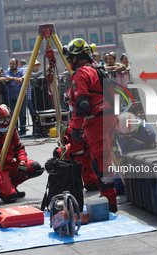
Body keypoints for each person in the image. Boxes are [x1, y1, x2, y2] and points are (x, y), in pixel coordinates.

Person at [63, 38, 118, 212]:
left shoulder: (81, 73)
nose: (69, 62)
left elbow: (82, 103)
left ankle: (109, 202)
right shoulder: (96, 68)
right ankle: (107, 196)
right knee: (102, 158)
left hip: (96, 120)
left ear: (75, 58)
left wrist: (76, 128)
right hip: (107, 117)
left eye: (70, 58)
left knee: (100, 160)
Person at [0, 104, 44, 202]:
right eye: (1, 120)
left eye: (7, 119)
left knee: (35, 167)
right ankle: (3, 189)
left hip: (10, 165)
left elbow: (20, 148)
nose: (5, 123)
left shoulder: (12, 130)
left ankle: (11, 185)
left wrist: (22, 162)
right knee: (11, 197)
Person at [113, 112, 156, 194]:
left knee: (142, 188)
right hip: (125, 159)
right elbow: (112, 144)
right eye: (122, 135)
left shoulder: (147, 133)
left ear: (135, 129)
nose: (124, 138)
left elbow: (150, 156)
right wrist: (118, 157)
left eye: (128, 135)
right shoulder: (116, 128)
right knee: (117, 188)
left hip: (140, 162)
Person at [4, 58, 27, 135]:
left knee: (23, 113)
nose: (11, 65)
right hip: (10, 96)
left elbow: (25, 75)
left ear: (17, 64)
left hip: (21, 95)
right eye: (10, 64)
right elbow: (7, 77)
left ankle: (23, 130)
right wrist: (15, 79)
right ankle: (15, 130)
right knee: (13, 114)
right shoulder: (7, 71)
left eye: (13, 64)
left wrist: (21, 78)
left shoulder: (21, 70)